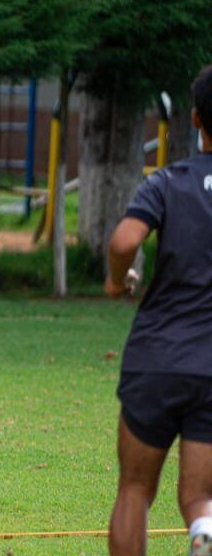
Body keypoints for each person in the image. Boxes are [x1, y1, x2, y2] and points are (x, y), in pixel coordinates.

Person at [106, 66, 212, 556]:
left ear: (196, 119)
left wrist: (117, 279)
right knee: (200, 498)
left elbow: (124, 240)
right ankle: (203, 532)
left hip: (157, 356)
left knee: (134, 489)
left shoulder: (169, 181)